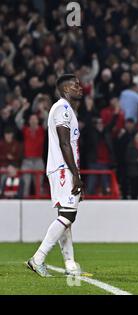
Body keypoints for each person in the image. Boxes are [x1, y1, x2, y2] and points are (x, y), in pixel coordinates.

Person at [26, 74, 87, 277]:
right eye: (75, 85)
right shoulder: (63, 109)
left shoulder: (66, 109)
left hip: (62, 168)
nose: (80, 87)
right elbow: (64, 142)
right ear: (66, 90)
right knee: (69, 215)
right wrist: (75, 174)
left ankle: (70, 263)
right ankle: (38, 258)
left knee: (65, 216)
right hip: (63, 168)